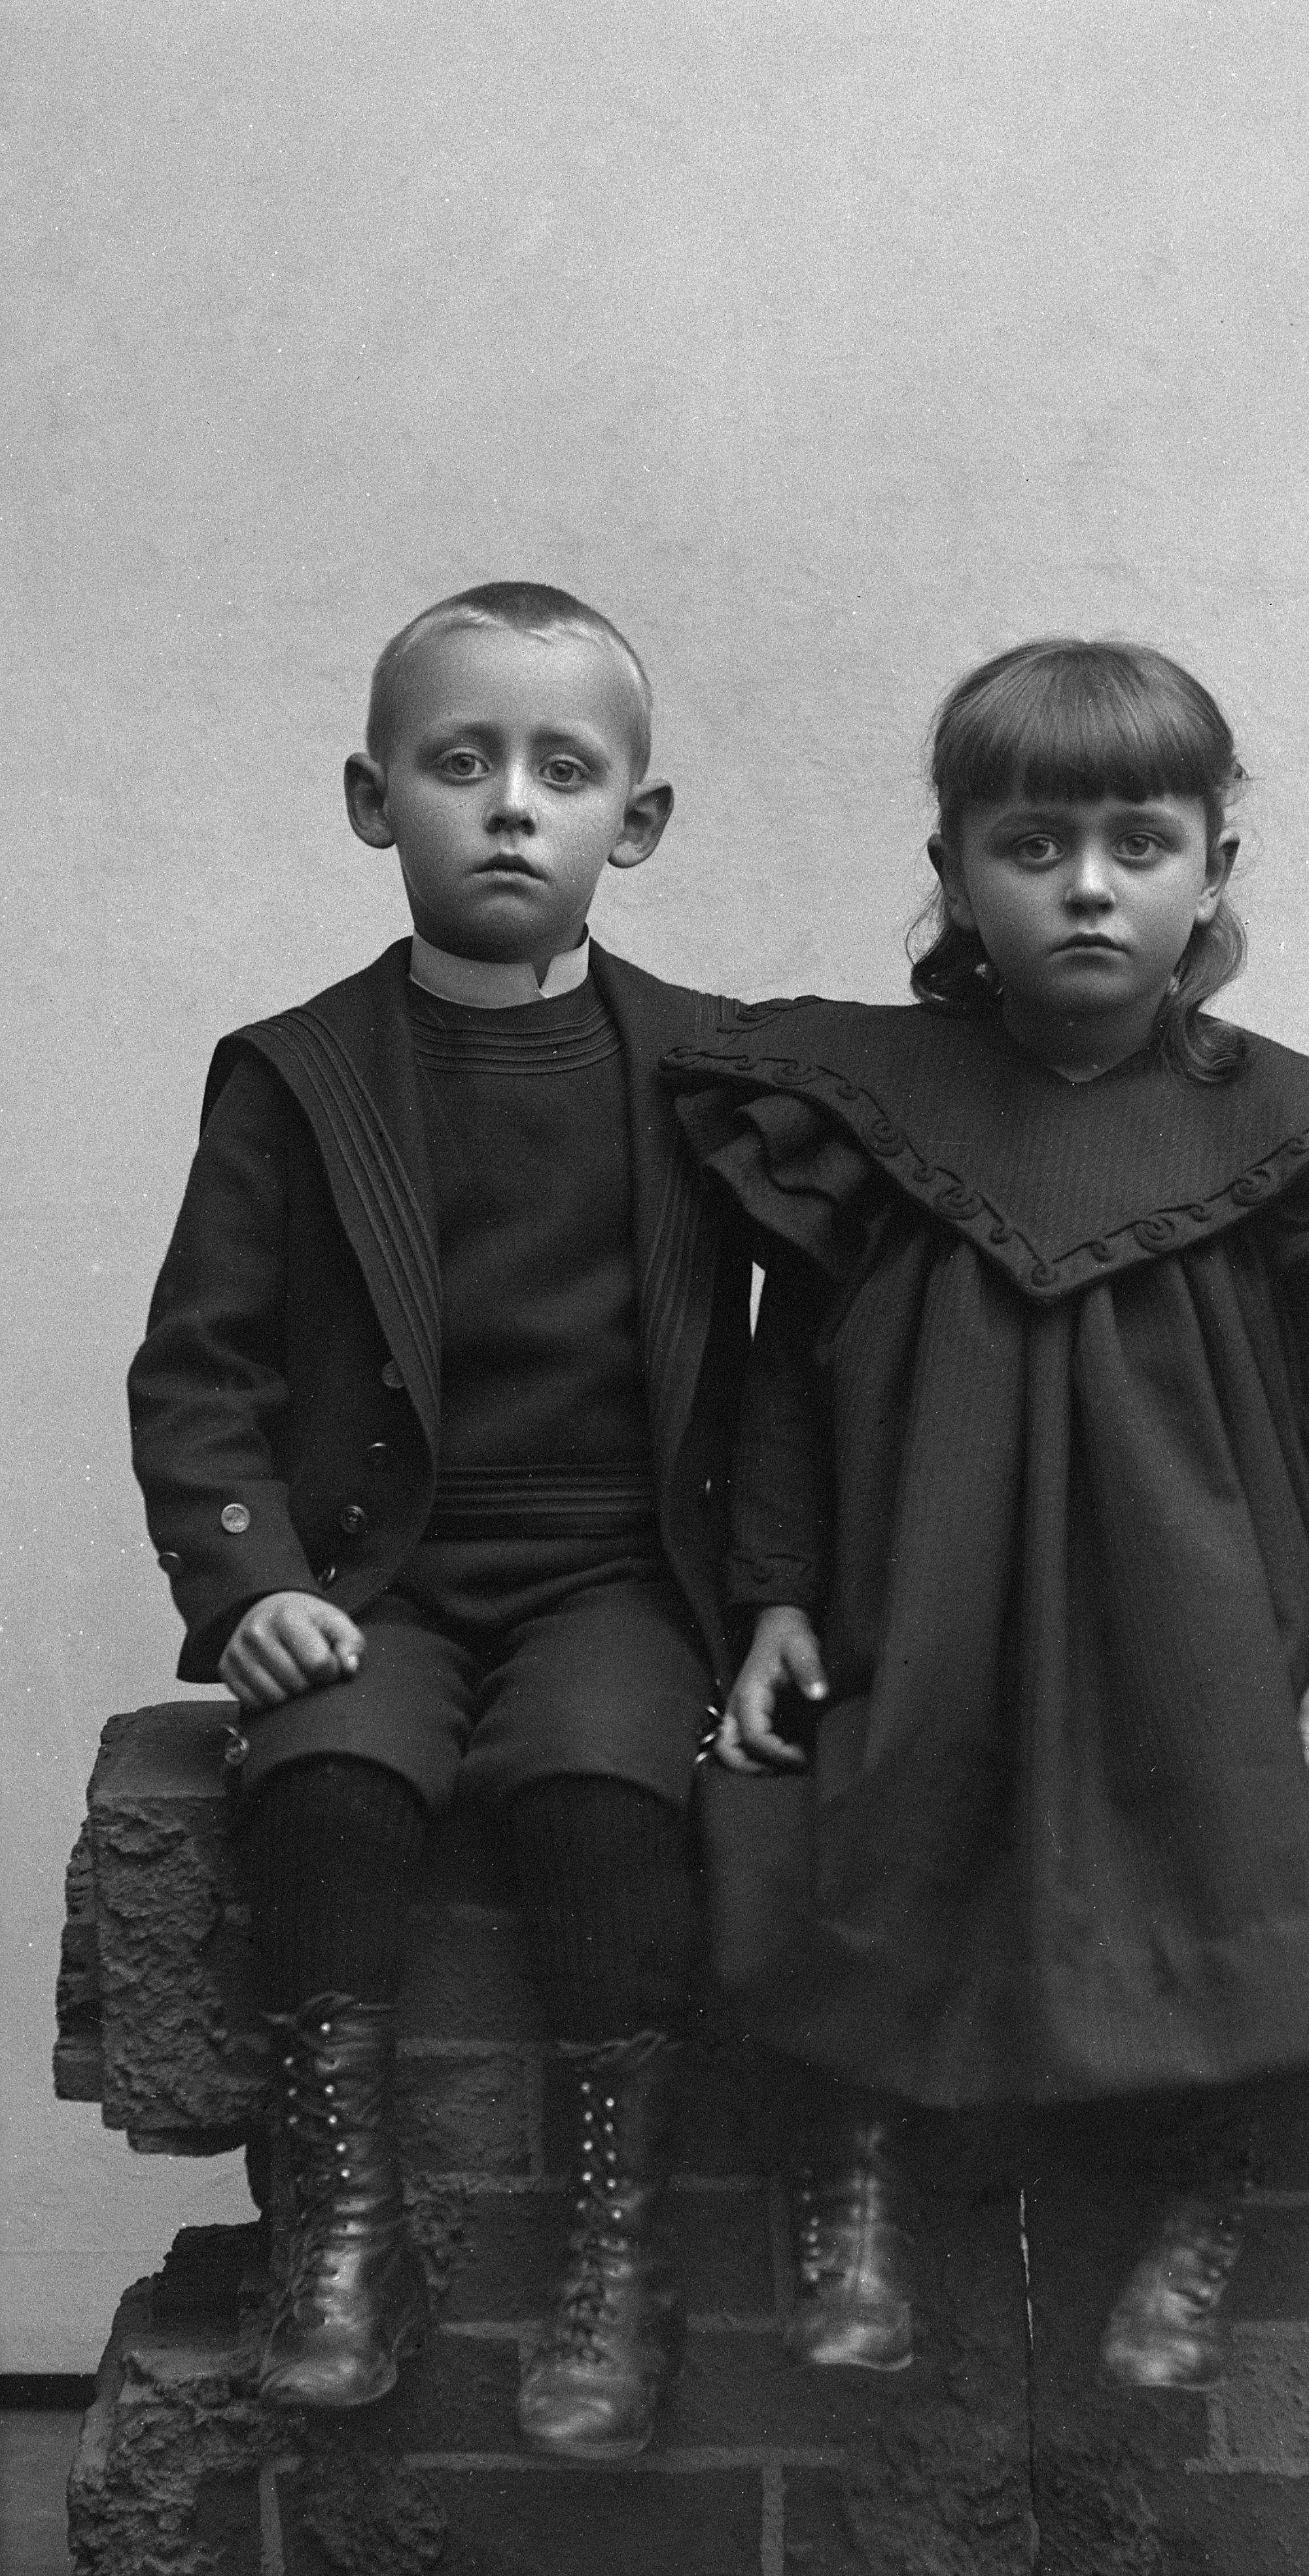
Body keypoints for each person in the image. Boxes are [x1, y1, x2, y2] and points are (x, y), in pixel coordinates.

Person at [661, 638, 1309, 2391]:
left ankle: (1203, 2188)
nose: (1086, 887)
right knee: (857, 1805)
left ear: (1214, 867)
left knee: (1263, 1827)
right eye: (1032, 845)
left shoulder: (1290, 1134)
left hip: (1215, 1605)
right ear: (952, 872)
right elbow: (783, 1387)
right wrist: (775, 1600)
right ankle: (858, 2176)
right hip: (924, 1590)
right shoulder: (862, 1115)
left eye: (1140, 843)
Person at [129, 584, 751, 2458]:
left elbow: (801, 1363)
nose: (509, 806)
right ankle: (346, 2234)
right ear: (369, 796)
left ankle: (618, 2257)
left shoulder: (715, 1077)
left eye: (564, 770)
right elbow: (201, 1367)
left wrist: (778, 1601)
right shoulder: (296, 1077)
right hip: (372, 1569)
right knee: (323, 1770)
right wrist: (250, 1583)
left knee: (599, 1788)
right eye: (459, 762)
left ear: (636, 821)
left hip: (617, 1572)